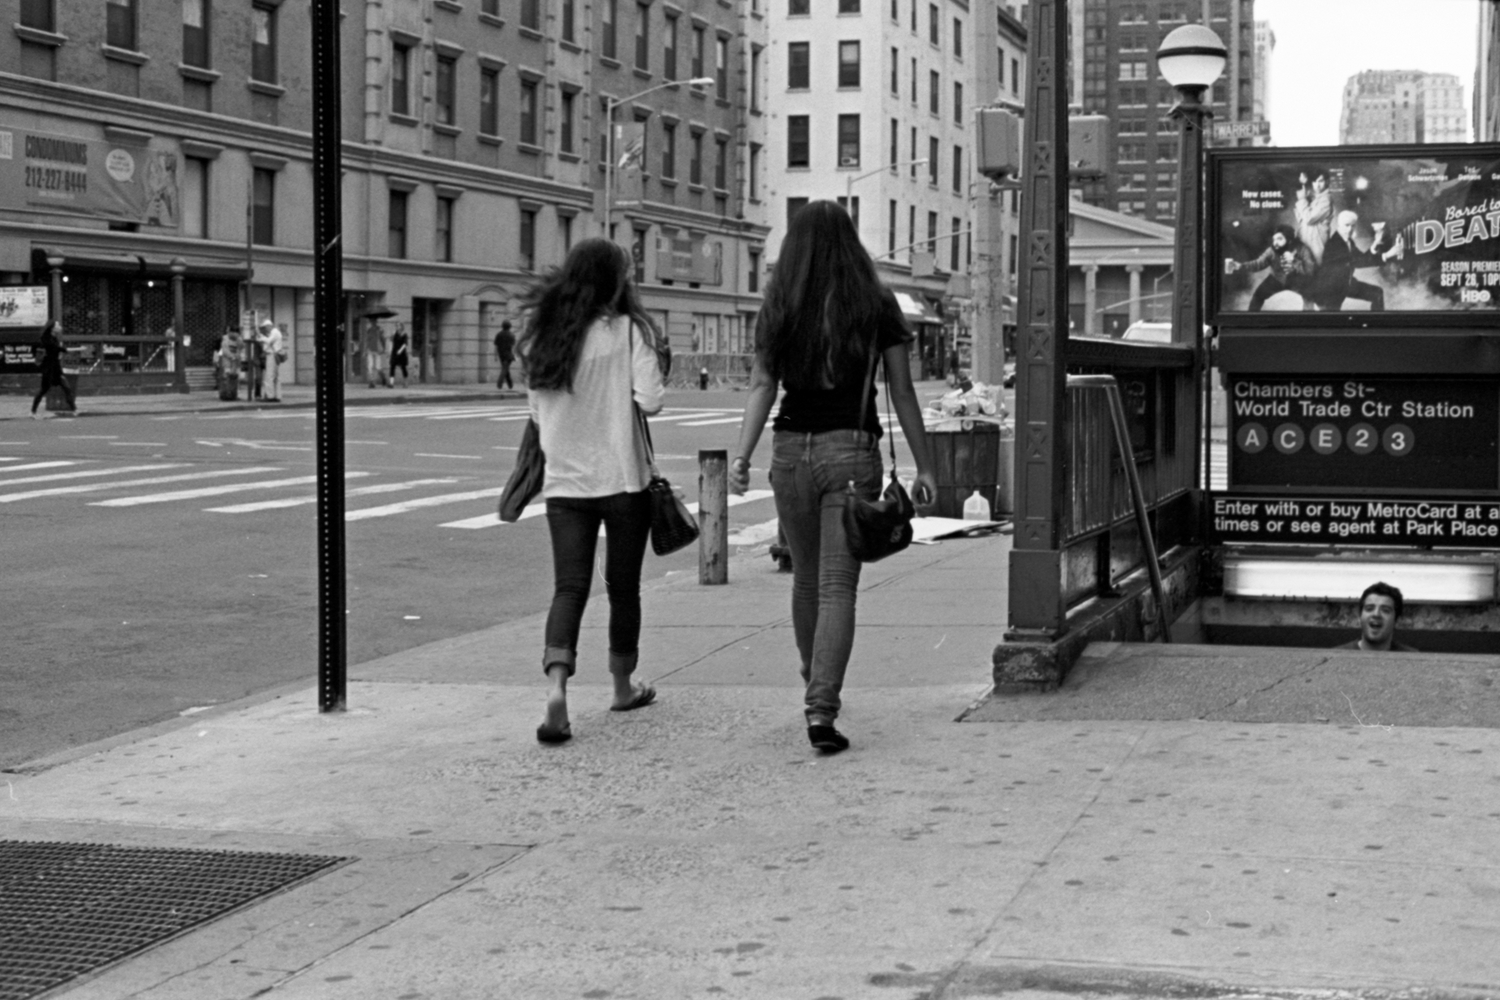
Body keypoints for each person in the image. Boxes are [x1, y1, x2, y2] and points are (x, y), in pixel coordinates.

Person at [729, 201, 937, 755]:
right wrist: (926, 465)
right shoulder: (874, 302)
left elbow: (762, 385)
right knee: (838, 586)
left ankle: (813, 674)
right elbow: (902, 391)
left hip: (789, 453)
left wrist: (742, 455)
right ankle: (821, 708)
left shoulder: (779, 304)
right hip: (851, 452)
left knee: (806, 580)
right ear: (851, 246)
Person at [522, 238, 667, 745]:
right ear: (614, 281)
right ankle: (623, 687)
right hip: (622, 480)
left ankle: (557, 688)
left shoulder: (545, 333)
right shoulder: (628, 332)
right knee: (623, 588)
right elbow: (651, 402)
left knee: (569, 587)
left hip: (565, 483)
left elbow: (536, 412)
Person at [1304, 210, 1404, 312]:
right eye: (1347, 225)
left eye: (1352, 226)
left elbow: (1361, 258)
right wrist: (1387, 255)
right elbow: (1359, 262)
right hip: (1332, 290)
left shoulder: (1348, 241)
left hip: (1346, 283)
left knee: (1377, 293)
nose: (1350, 229)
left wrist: (1375, 244)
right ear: (1339, 226)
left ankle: (1376, 321)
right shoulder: (1335, 244)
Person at [1224, 224, 1316, 311]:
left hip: (1296, 280)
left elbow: (1310, 270)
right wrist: (1241, 266)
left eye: (1279, 239)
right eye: (1274, 239)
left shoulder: (1302, 249)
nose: (1275, 243)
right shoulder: (1271, 251)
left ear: (1289, 240)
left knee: (1309, 297)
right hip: (1276, 279)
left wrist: (1294, 261)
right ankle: (1250, 319)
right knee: (1257, 296)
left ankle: (1306, 320)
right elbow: (1258, 264)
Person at [1337, 582, 1418, 652]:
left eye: (1385, 610)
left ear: (1397, 621)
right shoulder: (1336, 656)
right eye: (1369, 609)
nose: (1376, 614)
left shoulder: (1413, 659)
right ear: (1359, 617)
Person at [30, 319, 77, 418]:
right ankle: (33, 411)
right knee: (43, 390)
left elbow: (57, 351)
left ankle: (74, 409)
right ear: (52, 328)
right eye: (58, 325)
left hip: (56, 368)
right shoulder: (46, 339)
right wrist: (72, 349)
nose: (60, 327)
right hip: (48, 369)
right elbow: (57, 349)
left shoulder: (54, 338)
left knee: (66, 388)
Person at [1294, 168, 1334, 264]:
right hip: (1306, 240)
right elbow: (1300, 218)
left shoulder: (1326, 200)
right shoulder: (1314, 198)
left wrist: (1302, 200)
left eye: (1321, 181)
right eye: (1314, 182)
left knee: (1316, 268)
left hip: (1317, 243)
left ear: (1327, 181)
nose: (1317, 185)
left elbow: (1309, 219)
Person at [258, 318, 284, 402]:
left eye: (265, 327)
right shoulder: (275, 332)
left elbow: (268, 341)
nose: (265, 329)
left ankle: (270, 396)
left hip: (272, 355)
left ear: (269, 326)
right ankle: (277, 396)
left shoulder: (274, 332)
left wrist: (261, 337)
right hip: (275, 355)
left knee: (269, 376)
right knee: (276, 377)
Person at [362, 317, 388, 388]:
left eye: (374, 321)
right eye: (371, 321)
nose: (372, 323)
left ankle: (383, 378)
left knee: (378, 367)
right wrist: (365, 351)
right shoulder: (369, 330)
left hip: (377, 350)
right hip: (370, 350)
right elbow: (367, 341)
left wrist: (384, 349)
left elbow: (383, 339)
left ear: (376, 322)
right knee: (370, 366)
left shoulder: (380, 329)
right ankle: (372, 382)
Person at [494, 320, 516, 390]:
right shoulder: (511, 335)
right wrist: (514, 355)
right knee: (505, 369)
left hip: (501, 354)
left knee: (505, 368)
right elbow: (513, 347)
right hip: (508, 355)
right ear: (510, 326)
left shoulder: (498, 334)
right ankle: (499, 384)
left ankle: (510, 384)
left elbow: (496, 346)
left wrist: (495, 355)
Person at [389, 322, 410, 389]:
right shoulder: (395, 333)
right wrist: (392, 334)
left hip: (402, 353)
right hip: (394, 352)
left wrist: (400, 350)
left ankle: (406, 383)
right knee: (392, 367)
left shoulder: (404, 334)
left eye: (398, 325)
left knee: (403, 367)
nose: (397, 327)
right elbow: (391, 341)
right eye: (396, 325)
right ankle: (391, 383)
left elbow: (405, 344)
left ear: (401, 326)